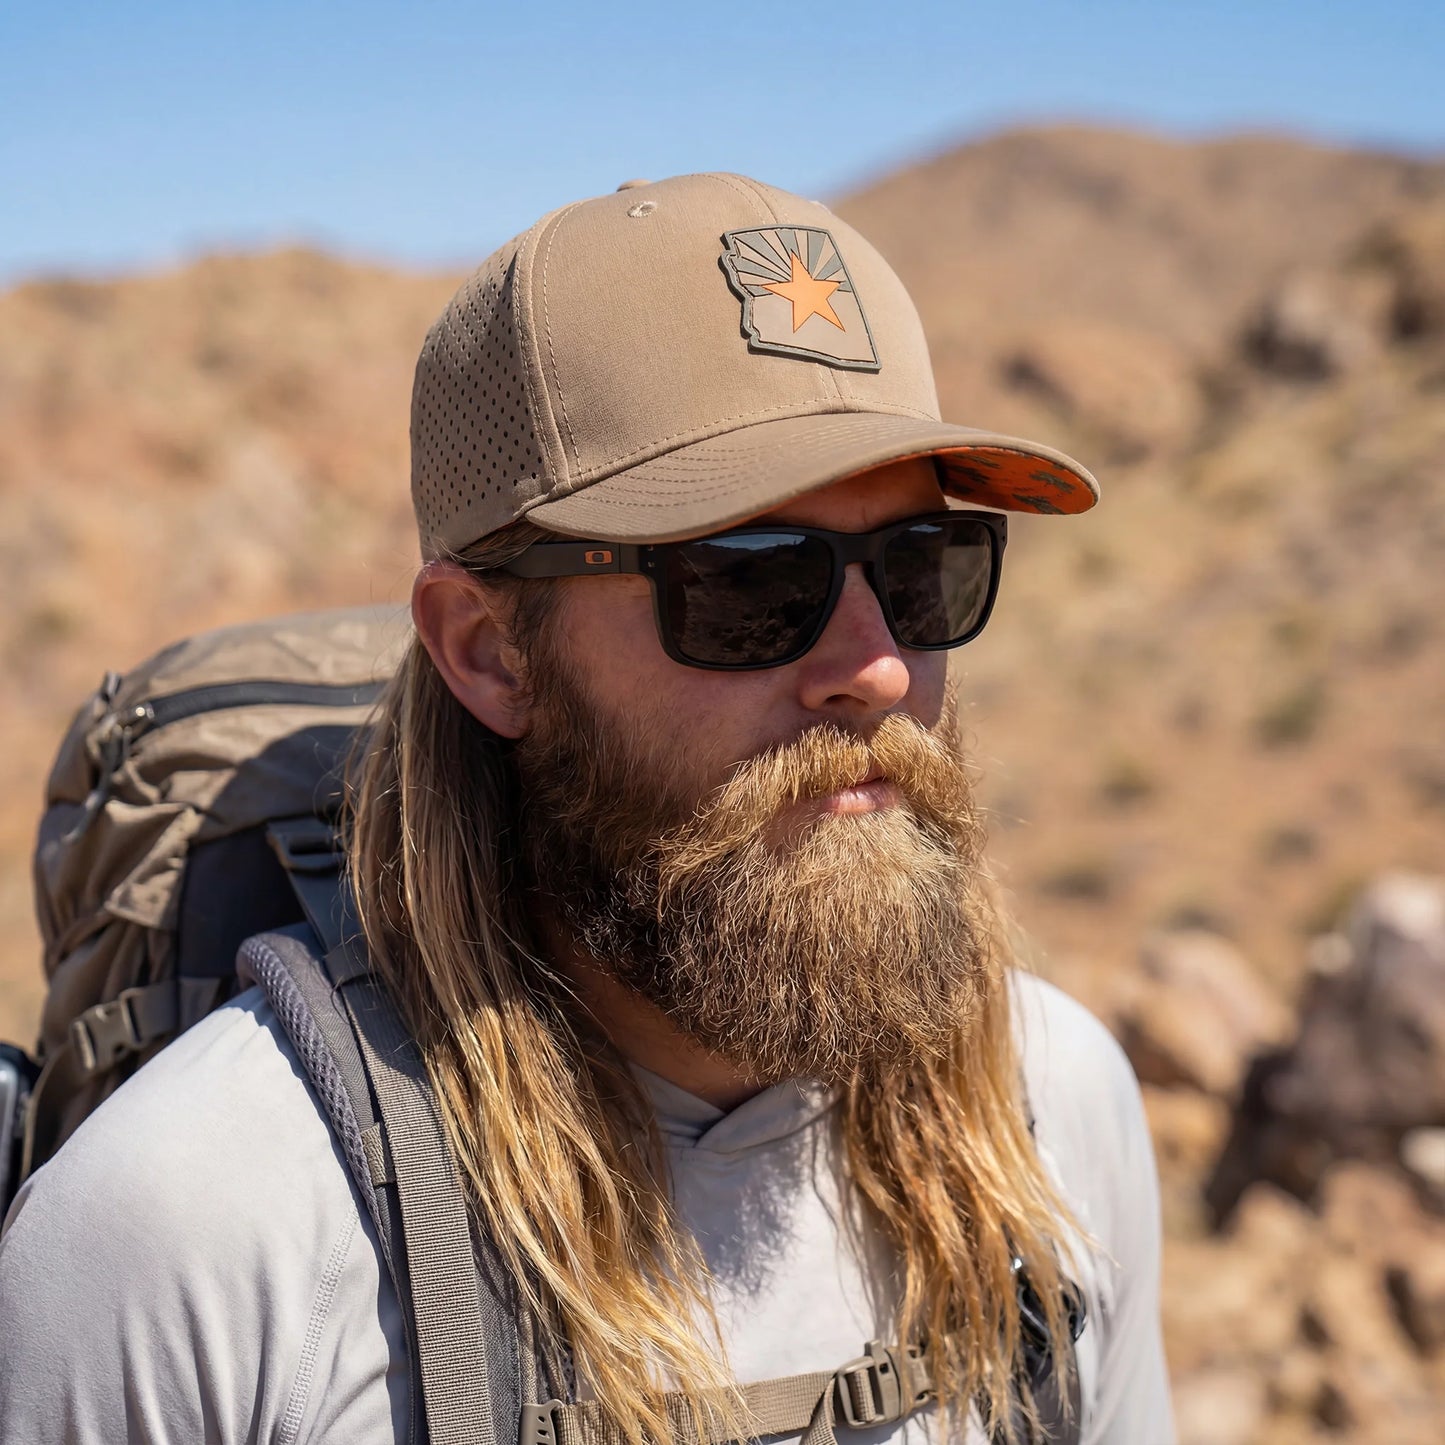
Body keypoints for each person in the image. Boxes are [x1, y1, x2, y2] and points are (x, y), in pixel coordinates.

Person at [0, 173, 1173, 1443]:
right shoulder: (198, 1240)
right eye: (744, 583)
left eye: (920, 569)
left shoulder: (1046, 1110)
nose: (877, 665)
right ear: (490, 650)